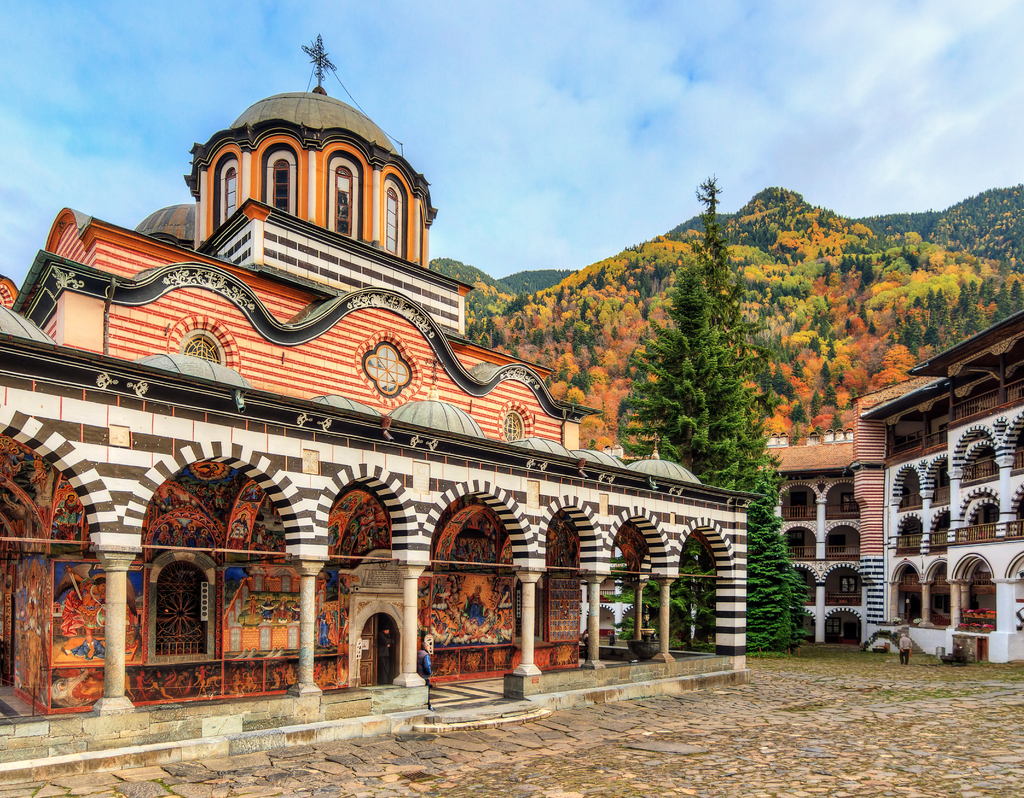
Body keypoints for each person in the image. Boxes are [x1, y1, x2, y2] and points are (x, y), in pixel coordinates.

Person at [417, 635, 434, 711]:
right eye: (428, 647)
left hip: (417, 675)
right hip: (424, 676)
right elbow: (427, 666)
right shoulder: (425, 655)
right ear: (426, 647)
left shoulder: (417, 653)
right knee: (427, 692)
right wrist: (429, 673)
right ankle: (428, 706)